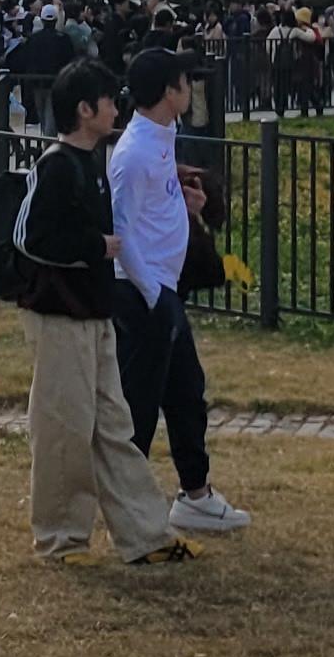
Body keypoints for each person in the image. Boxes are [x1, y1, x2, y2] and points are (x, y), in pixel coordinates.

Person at [15, 60, 196, 565]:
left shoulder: (94, 160)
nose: (117, 109)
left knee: (114, 426)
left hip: (94, 314)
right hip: (60, 316)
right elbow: (28, 237)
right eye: (109, 101)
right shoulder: (56, 164)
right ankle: (61, 539)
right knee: (64, 428)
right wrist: (94, 246)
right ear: (84, 110)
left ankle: (144, 534)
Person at [107, 49, 252, 539]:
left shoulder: (162, 138)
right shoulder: (134, 153)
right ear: (170, 92)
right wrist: (153, 294)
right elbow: (121, 231)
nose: (190, 88)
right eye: (185, 81)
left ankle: (195, 495)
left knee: (186, 393)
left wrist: (185, 204)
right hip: (144, 294)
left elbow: (154, 205)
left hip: (163, 291)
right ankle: (129, 508)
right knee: (140, 403)